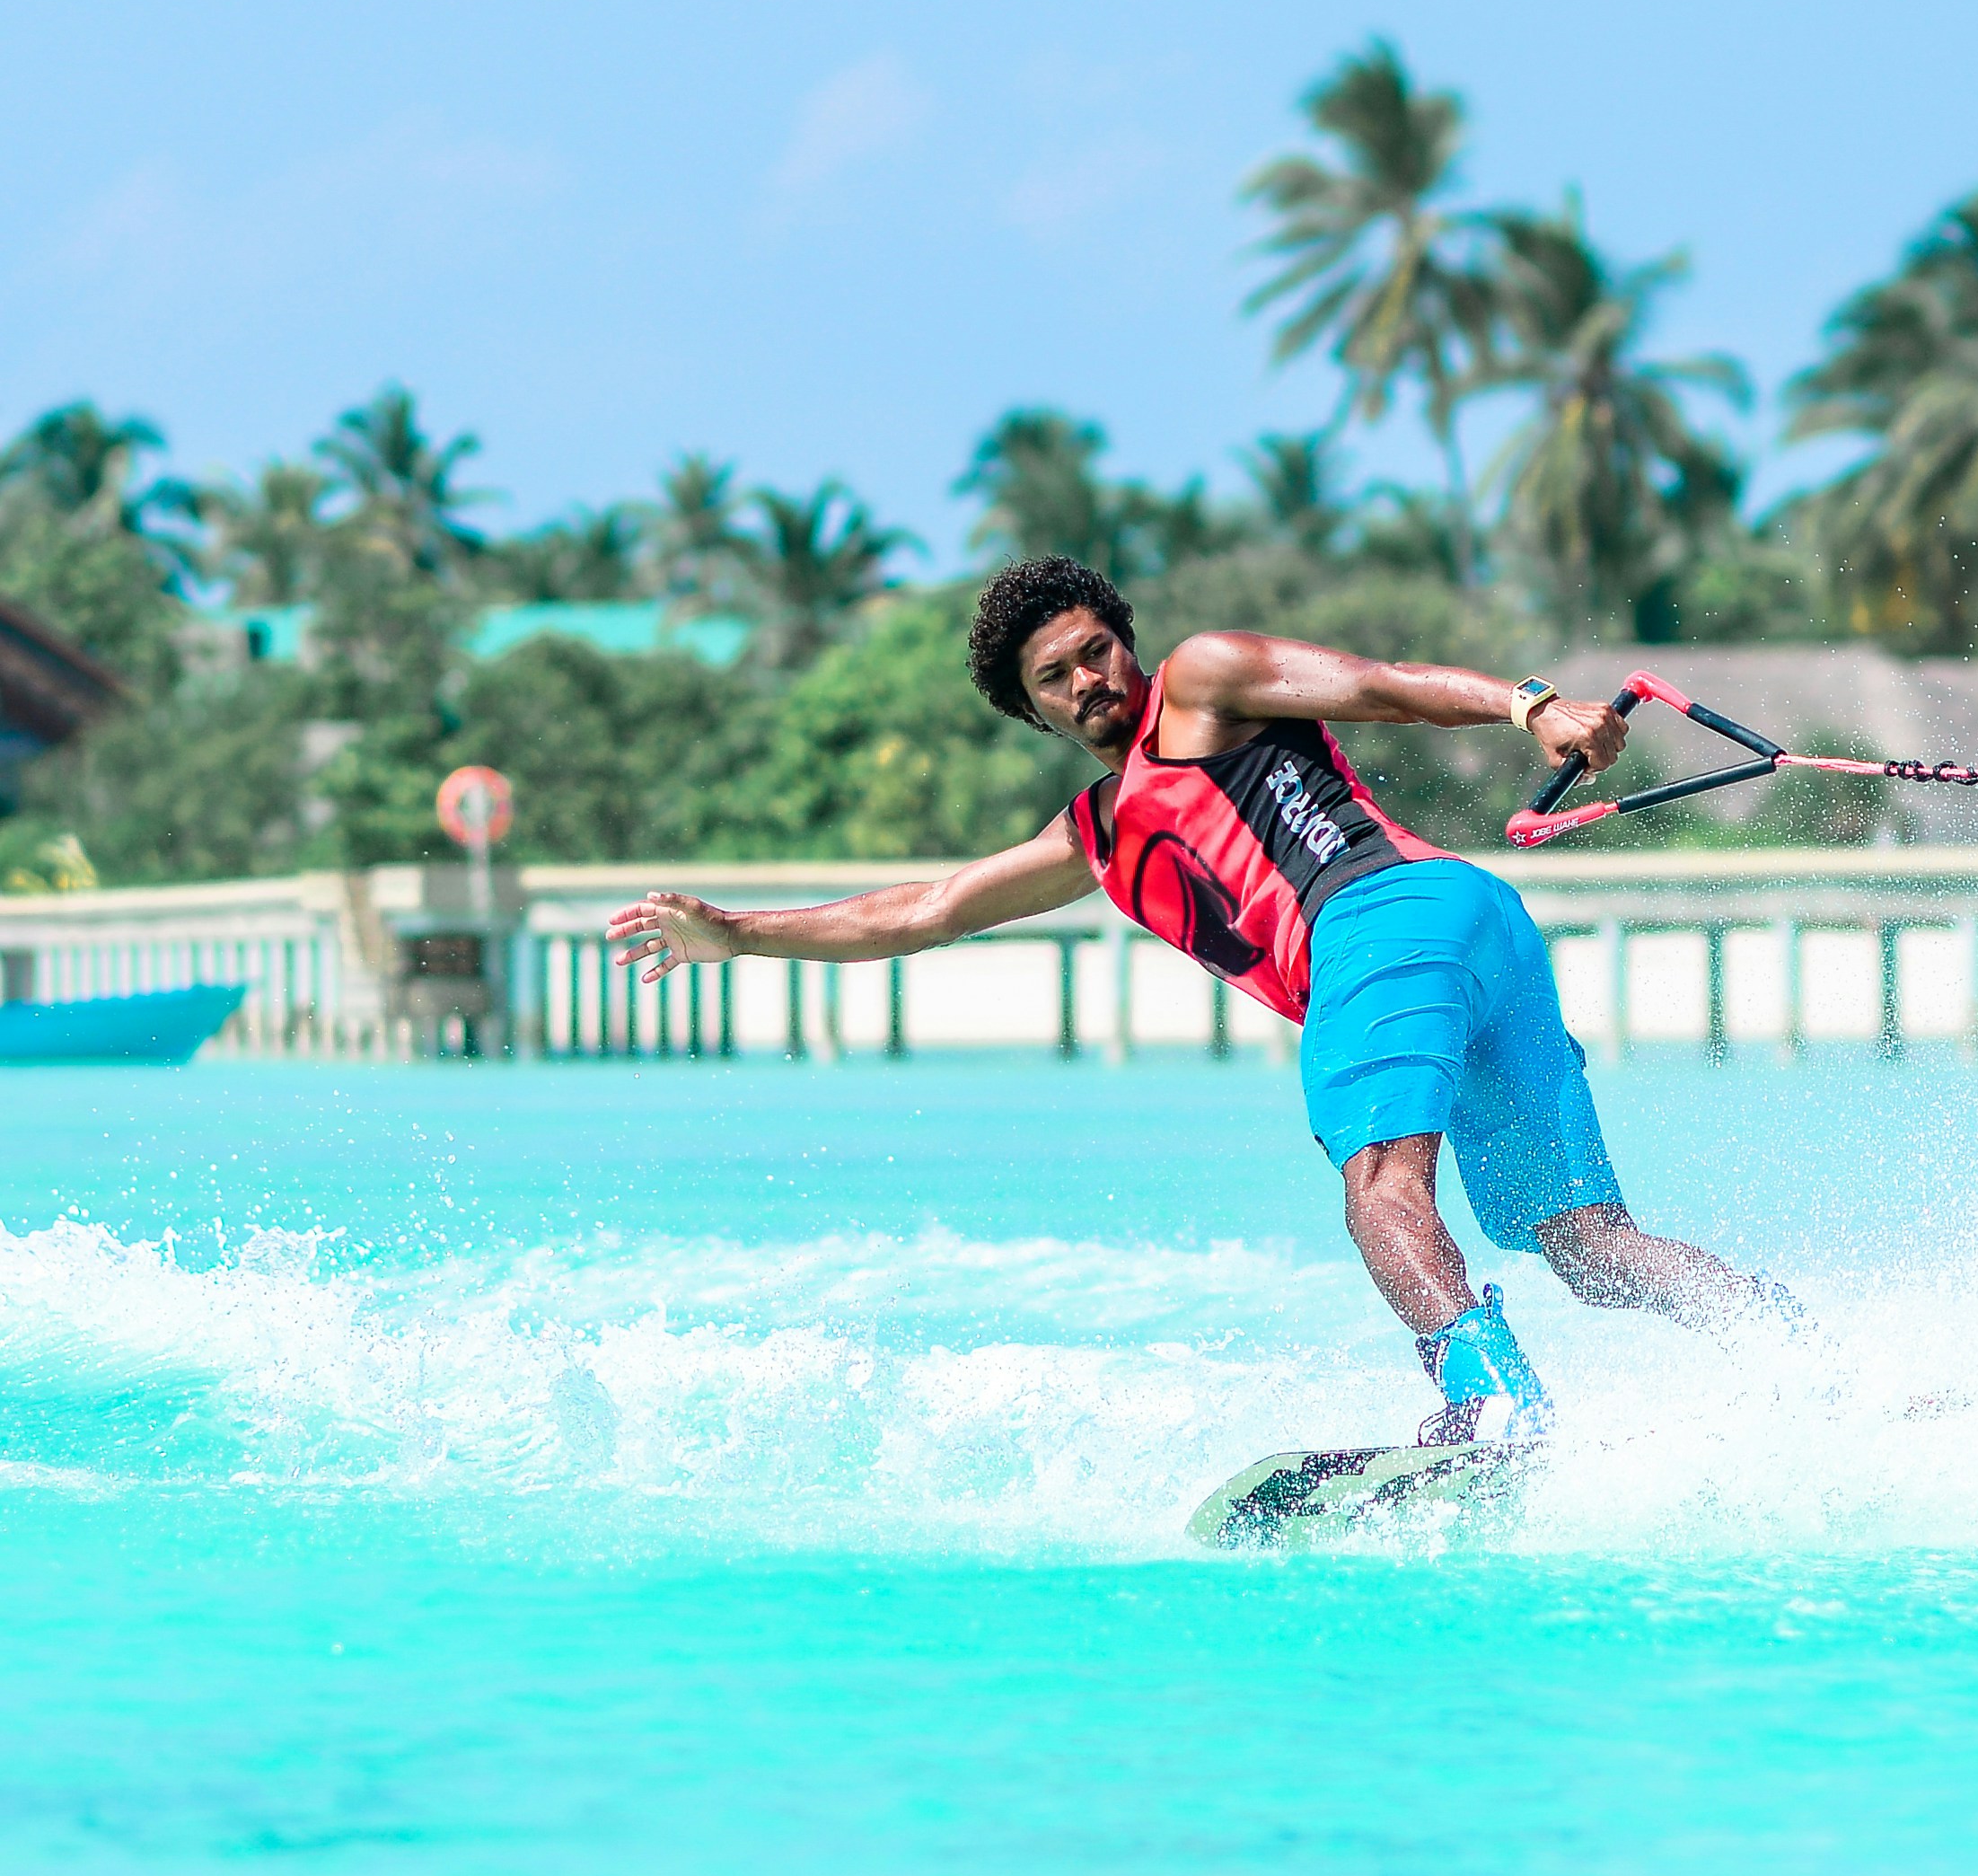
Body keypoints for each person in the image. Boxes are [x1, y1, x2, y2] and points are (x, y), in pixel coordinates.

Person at [607, 555, 1786, 1445]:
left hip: (1380, 919)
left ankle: (1495, 1410)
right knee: (1583, 1244)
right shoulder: (1097, 832)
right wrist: (738, 934)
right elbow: (922, 908)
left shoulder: (1203, 682)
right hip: (1470, 930)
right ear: (1036, 713)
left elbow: (1379, 686)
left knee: (1381, 1190)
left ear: (1125, 643)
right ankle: (1798, 1354)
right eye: (1053, 678)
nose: (1086, 680)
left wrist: (1531, 706)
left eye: (1092, 651)